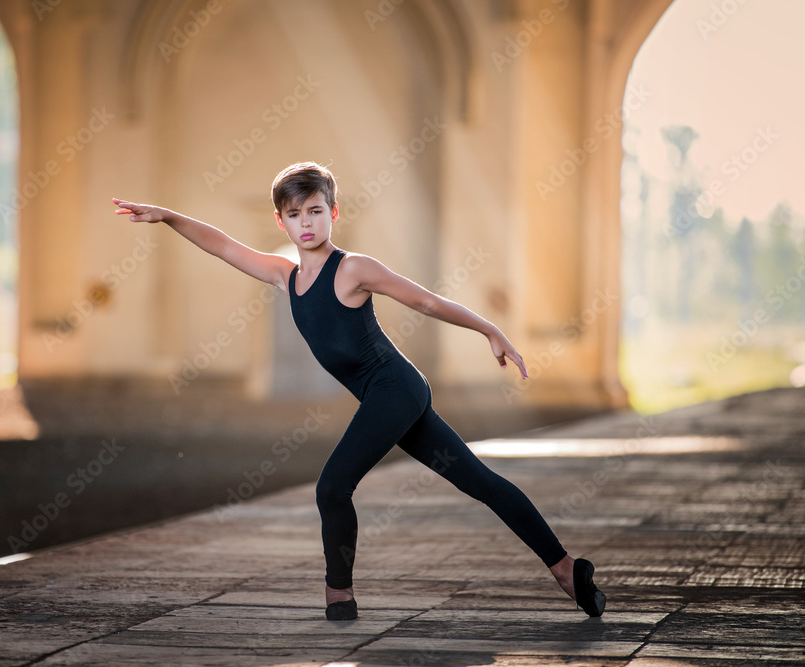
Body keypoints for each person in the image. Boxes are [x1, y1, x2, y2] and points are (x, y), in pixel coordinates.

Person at [111, 161, 605, 621]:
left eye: (316, 211)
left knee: (332, 486)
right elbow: (222, 245)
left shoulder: (352, 269)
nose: (306, 222)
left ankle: (339, 596)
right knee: (478, 481)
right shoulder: (285, 276)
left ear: (333, 213)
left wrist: (488, 329)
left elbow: (426, 301)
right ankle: (566, 569)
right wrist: (168, 216)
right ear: (281, 222)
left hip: (396, 389)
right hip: (385, 398)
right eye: (295, 214)